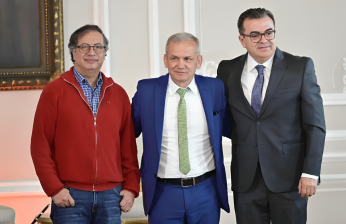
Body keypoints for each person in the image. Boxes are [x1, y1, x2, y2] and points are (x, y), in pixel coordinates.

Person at [217, 8, 326, 224]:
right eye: (255, 35)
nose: (263, 40)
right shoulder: (227, 70)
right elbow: (226, 120)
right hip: (246, 181)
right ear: (242, 39)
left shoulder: (300, 67)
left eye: (268, 32)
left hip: (291, 178)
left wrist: (311, 173)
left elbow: (315, 125)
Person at [31, 25, 140, 224]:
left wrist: (131, 187)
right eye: (84, 47)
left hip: (111, 195)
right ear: (73, 51)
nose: (92, 52)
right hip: (70, 196)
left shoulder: (118, 94)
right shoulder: (54, 92)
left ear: (104, 53)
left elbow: (128, 147)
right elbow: (40, 146)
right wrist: (55, 189)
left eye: (98, 47)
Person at [132, 32, 230, 224]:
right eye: (174, 58)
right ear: (165, 60)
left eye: (187, 59)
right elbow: (126, 135)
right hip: (163, 192)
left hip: (206, 190)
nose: (180, 65)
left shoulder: (215, 88)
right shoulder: (146, 90)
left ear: (198, 61)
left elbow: (231, 127)